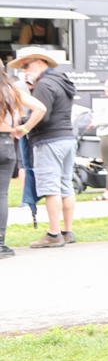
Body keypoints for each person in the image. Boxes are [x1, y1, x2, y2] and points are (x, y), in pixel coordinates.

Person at [11, 47, 77, 248]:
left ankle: (53, 233)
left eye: (26, 65)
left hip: (49, 140)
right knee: (66, 185)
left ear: (40, 62)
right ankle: (67, 231)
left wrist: (23, 125)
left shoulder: (43, 85)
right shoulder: (62, 81)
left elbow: (42, 115)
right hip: (67, 137)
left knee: (51, 188)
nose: (24, 70)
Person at [0, 69, 46, 259]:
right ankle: (0, 243)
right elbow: (41, 108)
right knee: (1, 194)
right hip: (6, 143)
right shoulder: (11, 91)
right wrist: (24, 128)